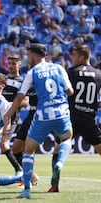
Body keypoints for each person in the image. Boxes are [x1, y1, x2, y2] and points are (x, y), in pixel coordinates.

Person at [3, 44, 74, 199]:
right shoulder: (59, 68)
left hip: (42, 115)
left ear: (34, 55)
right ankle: (60, 163)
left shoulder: (33, 72)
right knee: (66, 138)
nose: (27, 59)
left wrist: (8, 114)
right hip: (61, 113)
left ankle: (27, 190)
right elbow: (70, 91)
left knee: (28, 150)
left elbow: (20, 96)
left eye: (28, 56)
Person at [49, 44, 101, 192]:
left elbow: (63, 92)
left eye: (74, 55)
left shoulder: (70, 72)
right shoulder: (98, 74)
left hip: (70, 119)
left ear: (83, 57)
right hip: (89, 119)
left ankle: (55, 186)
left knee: (57, 150)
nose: (71, 57)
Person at [0, 54, 26, 177]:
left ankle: (20, 170)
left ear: (19, 65)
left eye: (14, 63)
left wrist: (9, 104)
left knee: (4, 144)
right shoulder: (3, 80)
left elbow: (25, 101)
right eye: (9, 63)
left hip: (11, 117)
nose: (10, 66)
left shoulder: (23, 81)